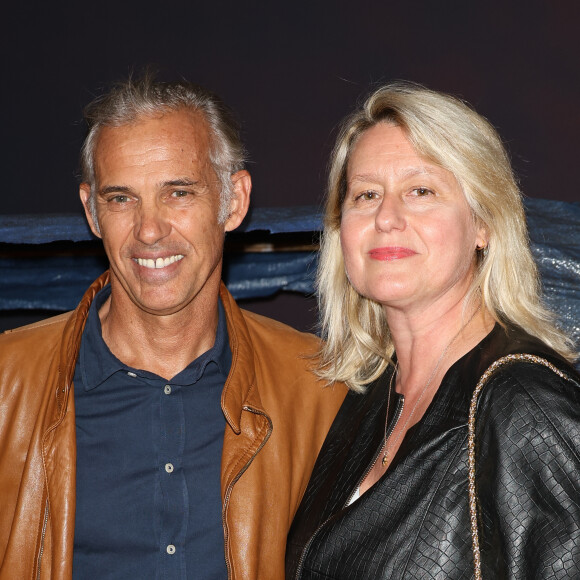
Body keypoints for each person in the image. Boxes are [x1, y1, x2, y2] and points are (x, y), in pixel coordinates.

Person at [0, 75, 346, 580]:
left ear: (234, 200)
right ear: (92, 211)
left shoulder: (319, 391)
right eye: (121, 199)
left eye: (178, 193)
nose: (149, 230)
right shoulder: (7, 387)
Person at [286, 82, 580, 579]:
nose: (386, 217)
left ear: (483, 223)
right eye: (366, 194)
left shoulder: (525, 405)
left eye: (420, 191)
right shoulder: (366, 400)